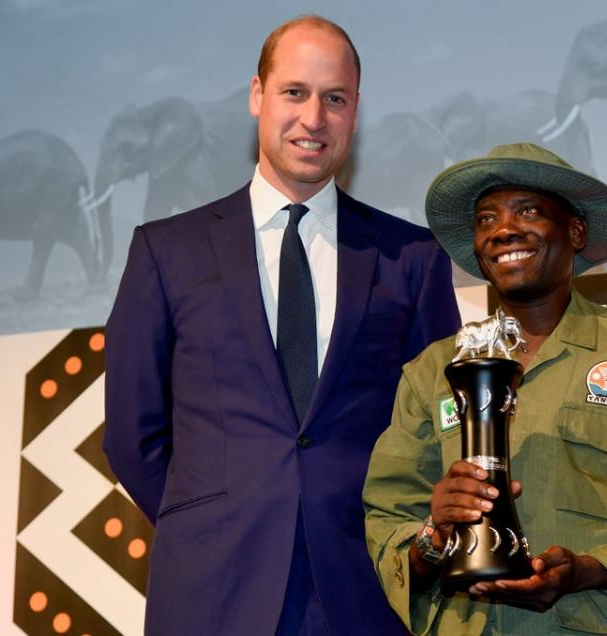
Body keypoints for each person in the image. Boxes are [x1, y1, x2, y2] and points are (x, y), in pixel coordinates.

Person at [104, 15, 460, 635]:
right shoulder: (166, 251)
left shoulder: (413, 258)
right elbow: (134, 436)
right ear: (256, 96)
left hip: (366, 590)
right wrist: (211, 522)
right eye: (294, 91)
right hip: (210, 591)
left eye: (335, 99)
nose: (313, 117)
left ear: (355, 113)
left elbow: (437, 426)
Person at [364, 143, 607, 635]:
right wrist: (434, 537)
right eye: (485, 219)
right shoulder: (434, 370)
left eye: (528, 210)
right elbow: (388, 515)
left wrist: (587, 571)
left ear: (576, 231)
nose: (503, 230)